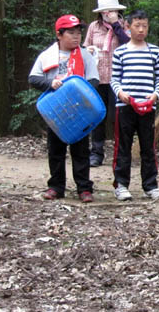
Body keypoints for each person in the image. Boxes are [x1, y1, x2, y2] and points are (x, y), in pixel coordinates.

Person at [28, 14, 99, 203]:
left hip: (79, 111)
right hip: (56, 111)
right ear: (59, 35)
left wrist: (78, 88)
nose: (76, 37)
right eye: (71, 33)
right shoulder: (47, 55)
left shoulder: (85, 55)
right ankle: (56, 187)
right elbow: (34, 78)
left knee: (81, 150)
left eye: (78, 33)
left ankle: (84, 188)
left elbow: (94, 79)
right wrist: (51, 83)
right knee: (55, 150)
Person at [110, 10, 159, 201]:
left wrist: (155, 95)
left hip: (148, 106)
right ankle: (121, 185)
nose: (141, 30)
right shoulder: (120, 52)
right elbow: (114, 79)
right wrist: (120, 93)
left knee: (148, 147)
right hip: (125, 106)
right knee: (123, 146)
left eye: (144, 26)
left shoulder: (155, 51)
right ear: (128, 26)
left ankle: (150, 186)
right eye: (137, 26)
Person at [84, 0, 130, 167]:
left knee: (118, 117)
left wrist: (115, 25)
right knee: (97, 116)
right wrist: (87, 50)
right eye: (104, 11)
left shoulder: (124, 26)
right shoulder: (93, 27)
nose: (107, 13)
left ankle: (121, 153)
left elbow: (128, 43)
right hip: (97, 78)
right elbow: (84, 46)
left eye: (111, 10)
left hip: (118, 79)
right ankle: (96, 153)